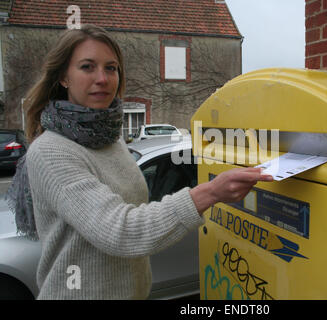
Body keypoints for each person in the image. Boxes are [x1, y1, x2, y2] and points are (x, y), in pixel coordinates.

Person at [8, 24, 273, 300]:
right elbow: (119, 231)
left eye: (111, 68)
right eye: (87, 67)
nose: (102, 78)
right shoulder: (52, 150)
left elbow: (133, 208)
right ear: (64, 77)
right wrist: (210, 192)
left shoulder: (111, 139)